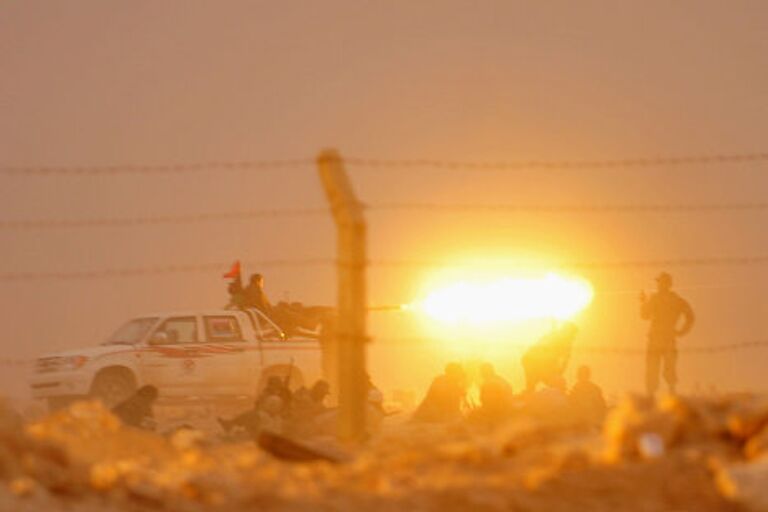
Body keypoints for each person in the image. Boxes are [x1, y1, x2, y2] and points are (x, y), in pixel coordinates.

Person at [640, 272, 695, 397]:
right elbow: (690, 316)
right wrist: (681, 331)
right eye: (659, 282)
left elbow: (644, 315)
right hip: (665, 338)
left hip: (659, 338)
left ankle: (659, 396)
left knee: (657, 369)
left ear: (666, 284)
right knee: (665, 370)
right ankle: (666, 395)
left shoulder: (658, 299)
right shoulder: (676, 300)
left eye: (660, 282)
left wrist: (643, 302)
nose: (659, 285)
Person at [522, 323, 578, 393]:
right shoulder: (554, 337)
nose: (573, 337)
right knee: (533, 386)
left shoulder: (565, 342)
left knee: (552, 383)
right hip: (532, 361)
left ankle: (545, 395)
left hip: (537, 362)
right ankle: (531, 395)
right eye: (572, 334)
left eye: (573, 335)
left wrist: (558, 374)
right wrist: (557, 374)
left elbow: (564, 361)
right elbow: (553, 358)